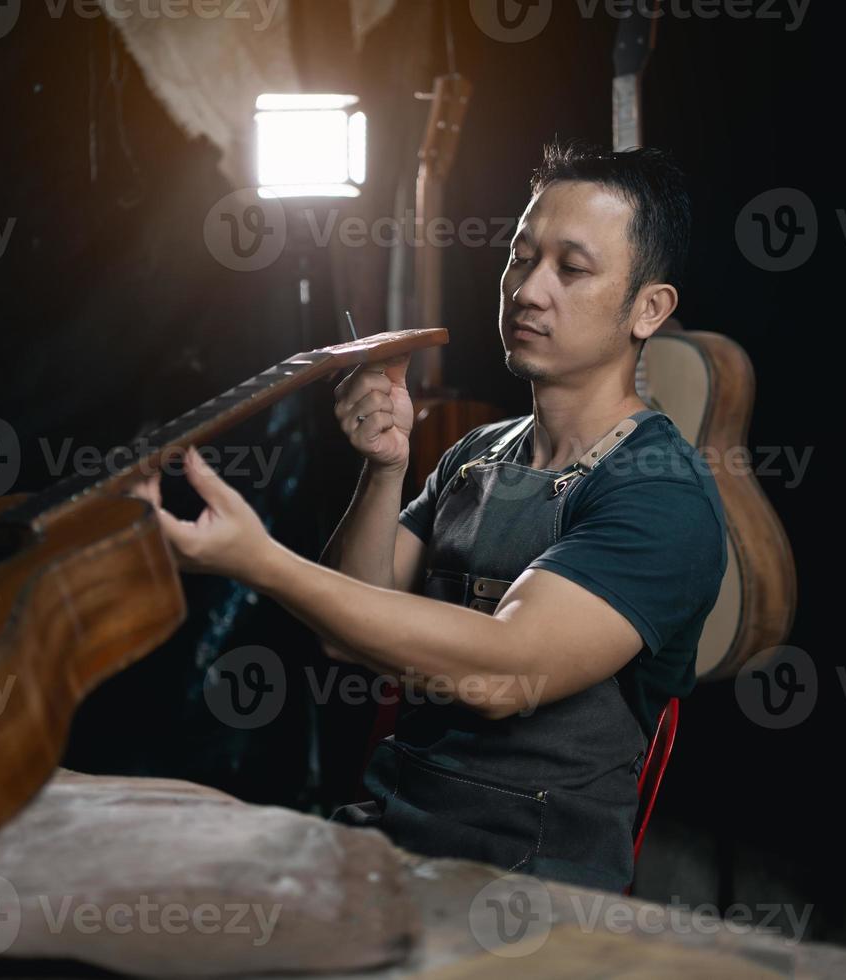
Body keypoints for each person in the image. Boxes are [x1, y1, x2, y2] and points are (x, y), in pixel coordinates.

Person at [130, 139, 727, 891]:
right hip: (388, 834)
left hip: (530, 887)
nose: (527, 290)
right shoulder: (475, 454)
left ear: (649, 308)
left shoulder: (659, 493)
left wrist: (258, 560)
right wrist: (384, 467)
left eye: (571, 269)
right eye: (520, 257)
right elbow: (347, 627)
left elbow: (503, 675)